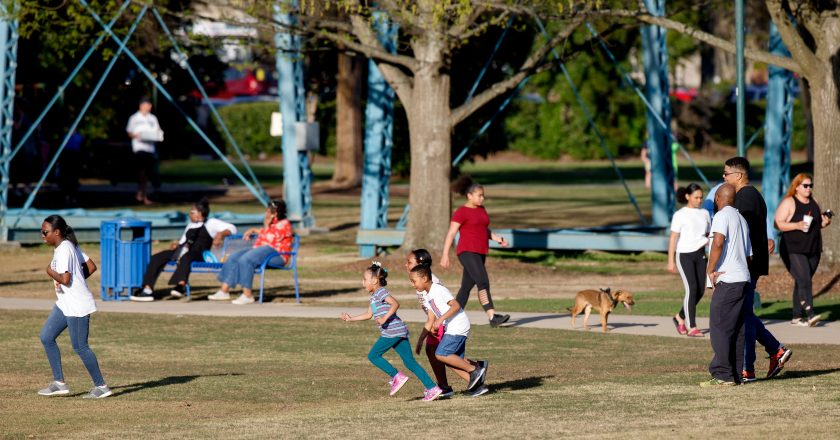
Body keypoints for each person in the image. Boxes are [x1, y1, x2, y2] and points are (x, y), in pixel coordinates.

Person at [723, 157, 792, 381]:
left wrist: (739, 260)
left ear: (739, 175)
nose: (724, 178)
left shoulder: (746, 197)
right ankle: (775, 350)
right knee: (745, 314)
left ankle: (747, 367)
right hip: (748, 264)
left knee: (743, 316)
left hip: (747, 265)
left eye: (726, 174)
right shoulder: (748, 196)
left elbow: (744, 234)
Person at [341, 262, 443, 402]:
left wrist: (384, 318)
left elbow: (395, 303)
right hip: (399, 330)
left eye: (365, 279)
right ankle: (432, 388)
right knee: (410, 362)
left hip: (392, 331)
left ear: (375, 281)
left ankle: (396, 376)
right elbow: (369, 314)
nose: (362, 282)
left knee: (373, 355)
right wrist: (351, 319)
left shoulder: (381, 292)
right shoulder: (374, 297)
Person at [38, 215, 112, 399]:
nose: (42, 235)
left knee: (80, 346)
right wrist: (78, 280)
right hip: (65, 303)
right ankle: (59, 383)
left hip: (77, 305)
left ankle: (101, 387)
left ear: (57, 232)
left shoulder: (64, 249)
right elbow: (91, 266)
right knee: (47, 337)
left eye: (45, 232)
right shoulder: (69, 245)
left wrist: (49, 271)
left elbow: (65, 279)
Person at [130, 198, 236, 302]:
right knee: (157, 257)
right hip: (183, 251)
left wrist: (220, 234)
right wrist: (176, 245)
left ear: (200, 213)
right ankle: (147, 290)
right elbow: (183, 242)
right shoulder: (190, 225)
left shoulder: (211, 223)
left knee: (186, 257)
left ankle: (181, 286)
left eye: (192, 212)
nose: (190, 214)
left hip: (199, 254)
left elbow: (232, 228)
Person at [440, 176, 511, 327]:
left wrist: (498, 238)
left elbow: (484, 229)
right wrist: (445, 254)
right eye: (479, 195)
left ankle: (450, 318)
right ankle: (492, 317)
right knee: (483, 282)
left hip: (480, 252)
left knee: (465, 288)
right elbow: (451, 233)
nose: (482, 198)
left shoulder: (481, 210)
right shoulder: (461, 212)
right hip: (467, 252)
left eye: (483, 195)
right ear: (469, 195)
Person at [410, 264, 489, 397]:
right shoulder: (428, 295)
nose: (413, 284)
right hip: (452, 327)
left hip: (458, 325)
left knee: (441, 354)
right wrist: (421, 339)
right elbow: (430, 319)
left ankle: (475, 369)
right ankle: (478, 386)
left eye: (414, 281)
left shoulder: (437, 289)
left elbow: (456, 305)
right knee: (452, 360)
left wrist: (440, 320)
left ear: (424, 278)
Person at [700, 184, 751, 387]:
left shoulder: (722, 216)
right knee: (737, 328)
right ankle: (736, 374)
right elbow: (748, 254)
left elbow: (718, 242)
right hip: (742, 277)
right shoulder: (741, 219)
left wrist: (710, 269)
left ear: (720, 198)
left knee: (720, 326)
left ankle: (722, 374)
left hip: (728, 279)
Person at [774, 173, 833, 326]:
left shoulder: (814, 202)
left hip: (813, 248)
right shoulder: (789, 202)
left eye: (810, 185)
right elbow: (778, 224)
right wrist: (796, 225)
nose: (809, 188)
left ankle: (796, 317)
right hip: (792, 248)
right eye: (805, 186)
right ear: (797, 187)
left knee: (802, 280)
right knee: (804, 279)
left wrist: (825, 222)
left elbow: (818, 223)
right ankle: (810, 313)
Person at [207, 199, 293, 305]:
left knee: (246, 259)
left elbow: (271, 239)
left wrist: (265, 225)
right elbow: (265, 236)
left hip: (278, 255)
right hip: (264, 251)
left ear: (275, 214)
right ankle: (224, 291)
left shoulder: (284, 224)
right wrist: (254, 229)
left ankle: (247, 295)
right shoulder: (273, 223)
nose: (266, 214)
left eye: (268, 212)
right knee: (234, 257)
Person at [405, 249, 454, 398]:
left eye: (409, 262)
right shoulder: (419, 280)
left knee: (444, 354)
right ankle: (444, 386)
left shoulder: (431, 282)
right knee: (433, 351)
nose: (406, 265)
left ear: (420, 264)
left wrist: (434, 323)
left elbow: (437, 306)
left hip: (442, 322)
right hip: (435, 322)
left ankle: (475, 368)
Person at [667, 183, 711, 337]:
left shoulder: (705, 213)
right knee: (691, 289)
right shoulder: (680, 215)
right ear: (687, 197)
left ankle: (679, 317)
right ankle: (691, 326)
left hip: (701, 255)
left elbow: (708, 234)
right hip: (684, 255)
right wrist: (670, 261)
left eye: (701, 197)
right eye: (696, 197)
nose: (699, 200)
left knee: (700, 291)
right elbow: (673, 238)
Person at [126, 96, 163, 205]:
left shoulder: (152, 118)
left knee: (148, 173)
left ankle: (143, 194)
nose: (150, 106)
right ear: (142, 105)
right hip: (139, 148)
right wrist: (136, 135)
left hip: (150, 148)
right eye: (148, 104)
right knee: (141, 172)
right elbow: (129, 132)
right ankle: (140, 194)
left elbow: (158, 131)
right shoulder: (134, 118)